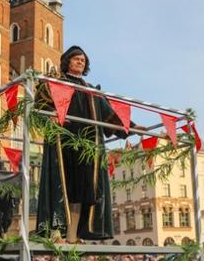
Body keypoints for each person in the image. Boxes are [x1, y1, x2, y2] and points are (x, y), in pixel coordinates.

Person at [35, 46, 138, 242]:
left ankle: (73, 235)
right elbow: (40, 106)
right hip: (64, 142)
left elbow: (110, 116)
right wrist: (49, 113)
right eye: (76, 59)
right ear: (67, 61)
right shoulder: (55, 83)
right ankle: (57, 232)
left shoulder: (91, 91)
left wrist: (132, 127)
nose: (80, 62)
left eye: (83, 60)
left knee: (83, 192)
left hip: (88, 148)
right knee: (61, 187)